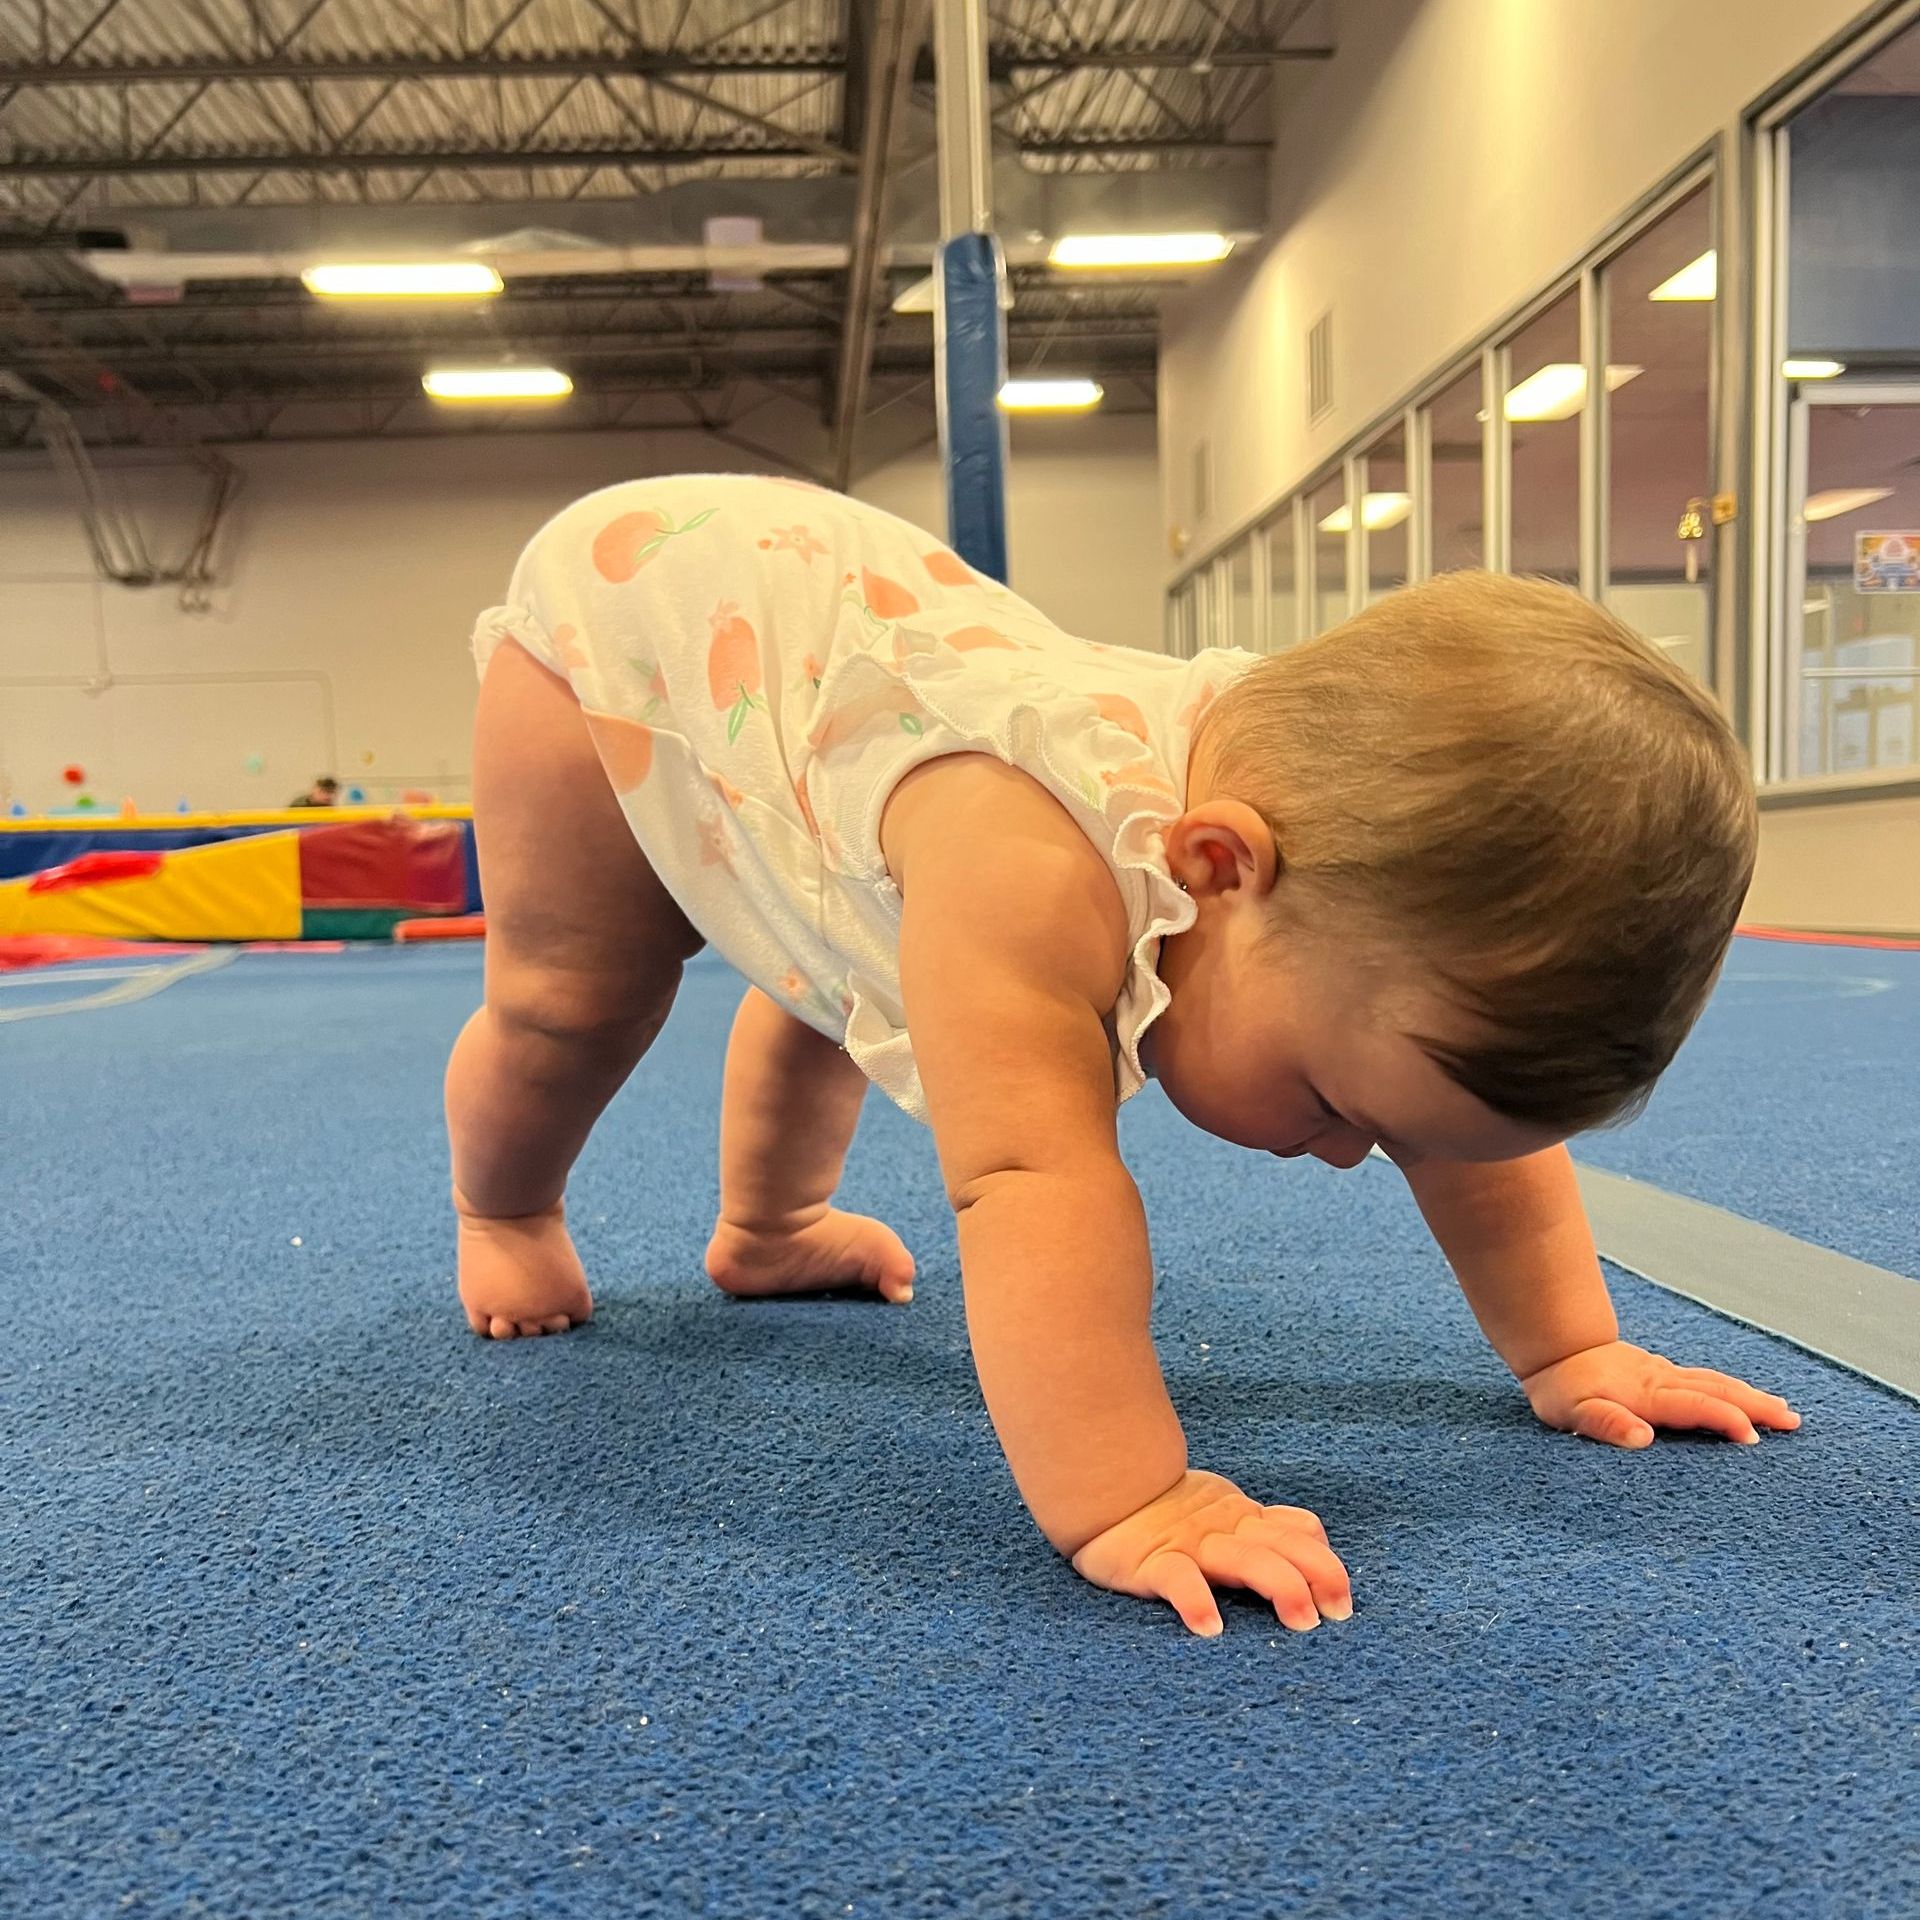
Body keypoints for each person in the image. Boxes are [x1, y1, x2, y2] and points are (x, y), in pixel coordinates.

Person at [443, 474, 1799, 1638]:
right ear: (1217, 867)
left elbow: (1461, 1138)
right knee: (579, 995)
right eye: (1339, 1104)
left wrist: (1574, 1350)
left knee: (853, 965)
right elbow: (1032, 1185)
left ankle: (772, 1225)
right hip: (629, 638)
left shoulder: (1341, 863)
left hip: (808, 659)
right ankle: (504, 1205)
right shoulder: (1032, 862)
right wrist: (1132, 1492)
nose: (1344, 1155)